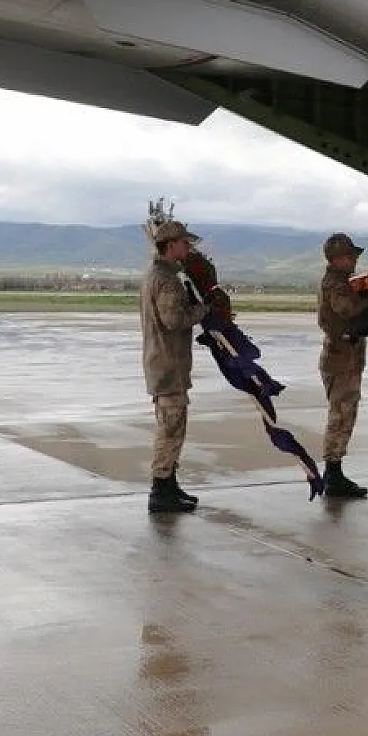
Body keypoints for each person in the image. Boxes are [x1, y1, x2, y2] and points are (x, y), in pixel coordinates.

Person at [141, 217, 210, 514]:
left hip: (167, 364)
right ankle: (160, 489)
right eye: (184, 242)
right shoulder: (166, 279)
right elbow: (174, 320)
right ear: (171, 246)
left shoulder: (160, 274)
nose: (188, 246)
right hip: (168, 366)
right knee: (170, 429)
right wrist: (203, 310)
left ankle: (169, 484)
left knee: (174, 428)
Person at [317, 232, 368, 499]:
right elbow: (349, 310)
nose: (355, 260)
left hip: (346, 355)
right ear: (340, 258)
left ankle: (335, 471)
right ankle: (332, 474)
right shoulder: (336, 284)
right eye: (351, 256)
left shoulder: (342, 281)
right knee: (341, 415)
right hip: (341, 357)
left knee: (345, 413)